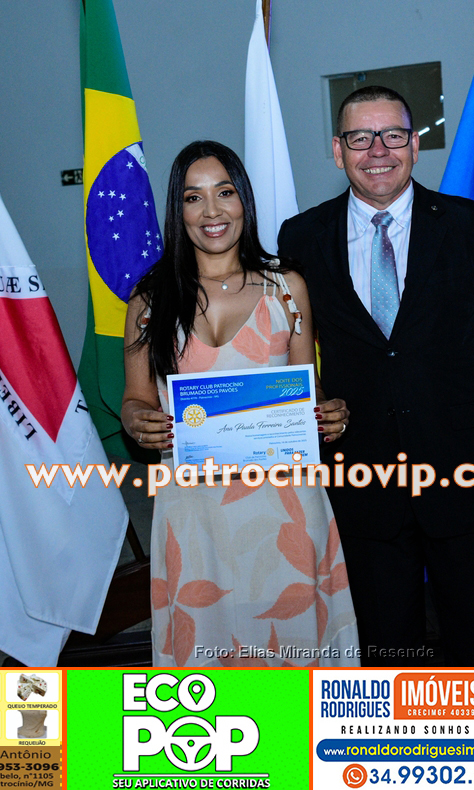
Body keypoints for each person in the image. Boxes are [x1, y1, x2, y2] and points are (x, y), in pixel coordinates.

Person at [278, 86, 474, 666]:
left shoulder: (470, 226)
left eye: (393, 135)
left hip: (465, 483)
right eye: (360, 137)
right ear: (337, 150)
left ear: (415, 145)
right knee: (385, 655)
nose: (378, 150)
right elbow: (289, 353)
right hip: (361, 489)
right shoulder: (300, 238)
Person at [122, 140, 359, 667]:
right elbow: (135, 399)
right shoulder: (150, 299)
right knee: (205, 649)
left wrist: (329, 412)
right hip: (194, 505)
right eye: (194, 197)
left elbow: (309, 387)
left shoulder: (286, 287)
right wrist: (140, 422)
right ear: (178, 209)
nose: (212, 211)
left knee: (294, 643)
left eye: (224, 192)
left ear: (244, 201)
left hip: (285, 503)